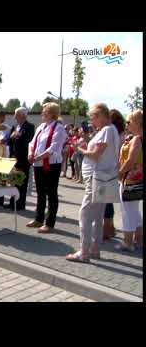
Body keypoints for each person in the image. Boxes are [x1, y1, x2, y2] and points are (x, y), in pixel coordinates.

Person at [66, 103, 120, 263]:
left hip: (98, 177)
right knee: (97, 215)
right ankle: (95, 249)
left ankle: (84, 251)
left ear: (101, 115)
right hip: (104, 177)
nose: (92, 121)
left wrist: (80, 150)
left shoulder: (107, 130)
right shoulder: (109, 131)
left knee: (85, 214)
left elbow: (96, 155)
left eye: (93, 117)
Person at [27, 102, 68, 233]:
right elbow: (32, 142)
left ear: (52, 113)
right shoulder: (41, 126)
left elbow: (54, 148)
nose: (42, 113)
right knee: (40, 192)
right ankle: (38, 218)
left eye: (44, 111)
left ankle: (49, 222)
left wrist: (38, 157)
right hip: (38, 164)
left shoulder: (59, 128)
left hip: (52, 164)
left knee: (51, 193)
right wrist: (30, 153)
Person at [116, 110, 142, 252]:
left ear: (137, 123)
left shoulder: (137, 139)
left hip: (130, 180)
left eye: (129, 122)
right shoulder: (135, 138)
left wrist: (120, 172)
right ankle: (138, 239)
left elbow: (131, 160)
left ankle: (128, 242)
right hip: (136, 179)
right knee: (134, 211)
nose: (127, 124)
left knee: (128, 212)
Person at [103, 109, 127, 240]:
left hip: (111, 169)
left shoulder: (117, 135)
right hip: (112, 169)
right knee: (107, 200)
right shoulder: (118, 134)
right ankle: (109, 228)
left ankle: (108, 229)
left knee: (106, 200)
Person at [8, 107, 35, 211]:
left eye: (17, 114)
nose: (15, 117)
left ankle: (20, 204)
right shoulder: (15, 126)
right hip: (13, 158)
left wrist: (18, 136)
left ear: (23, 115)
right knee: (13, 181)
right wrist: (12, 136)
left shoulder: (30, 127)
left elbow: (28, 142)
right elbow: (9, 142)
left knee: (22, 182)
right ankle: (12, 203)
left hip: (23, 159)